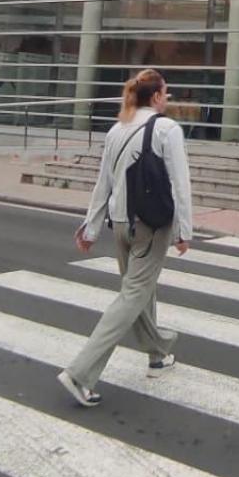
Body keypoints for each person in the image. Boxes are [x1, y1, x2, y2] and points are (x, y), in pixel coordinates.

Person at [57, 69, 194, 408]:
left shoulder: (117, 129)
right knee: (132, 295)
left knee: (138, 290)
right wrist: (184, 231)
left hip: (120, 224)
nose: (168, 97)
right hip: (151, 226)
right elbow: (180, 184)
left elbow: (102, 182)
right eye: (166, 92)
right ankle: (80, 372)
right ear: (157, 97)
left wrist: (91, 228)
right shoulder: (167, 129)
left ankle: (157, 354)